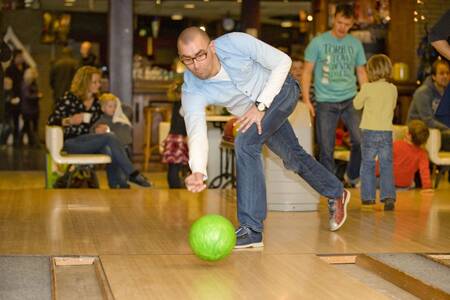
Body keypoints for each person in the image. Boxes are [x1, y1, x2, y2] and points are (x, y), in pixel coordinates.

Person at [177, 27, 350, 249]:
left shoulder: (236, 43)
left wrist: (261, 106)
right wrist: (198, 170)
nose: (196, 65)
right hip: (255, 115)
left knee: (245, 144)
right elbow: (196, 130)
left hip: (281, 91)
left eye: (200, 55)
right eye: (188, 60)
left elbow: (283, 62)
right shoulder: (191, 88)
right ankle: (336, 191)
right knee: (292, 157)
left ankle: (251, 229)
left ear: (211, 47)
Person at [48, 66, 150, 189]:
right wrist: (69, 120)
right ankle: (132, 175)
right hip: (73, 142)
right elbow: (52, 120)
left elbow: (122, 112)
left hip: (93, 140)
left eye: (99, 82)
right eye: (95, 82)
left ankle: (118, 184)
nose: (98, 85)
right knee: (109, 138)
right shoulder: (69, 98)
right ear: (85, 82)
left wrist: (98, 128)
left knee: (110, 147)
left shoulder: (98, 103)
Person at [302, 4, 368, 187]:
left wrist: (366, 97)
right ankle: (330, 187)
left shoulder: (355, 44)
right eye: (339, 22)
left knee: (361, 140)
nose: (342, 27)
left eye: (347, 24)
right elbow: (307, 72)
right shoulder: (318, 42)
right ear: (334, 19)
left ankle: (352, 176)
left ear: (352, 24)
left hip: (350, 99)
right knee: (325, 148)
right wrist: (307, 99)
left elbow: (361, 73)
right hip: (325, 102)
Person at [353, 54, 397, 210]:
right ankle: (388, 197)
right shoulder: (392, 89)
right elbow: (392, 107)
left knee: (368, 165)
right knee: (386, 165)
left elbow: (357, 105)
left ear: (370, 71)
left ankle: (368, 198)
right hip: (386, 131)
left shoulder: (367, 88)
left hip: (369, 131)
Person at [408, 60, 450, 151]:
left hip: (437, 131)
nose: (445, 76)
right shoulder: (423, 93)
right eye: (442, 73)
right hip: (418, 131)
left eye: (447, 73)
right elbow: (428, 121)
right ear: (434, 76)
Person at [161, 78, 189, 189]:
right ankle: (175, 187)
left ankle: (174, 186)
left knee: (173, 165)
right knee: (176, 166)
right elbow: (186, 119)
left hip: (173, 137)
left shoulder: (177, 102)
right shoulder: (184, 103)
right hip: (179, 138)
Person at [391, 120, 432, 191]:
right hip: (405, 186)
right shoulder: (422, 153)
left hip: (388, 183)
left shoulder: (396, 145)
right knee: (412, 183)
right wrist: (427, 187)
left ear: (408, 135)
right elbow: (425, 172)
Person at [92, 93, 133, 159]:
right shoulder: (102, 120)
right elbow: (93, 130)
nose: (113, 109)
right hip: (114, 148)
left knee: (127, 162)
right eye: (110, 106)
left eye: (115, 106)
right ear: (103, 108)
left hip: (127, 146)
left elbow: (130, 110)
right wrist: (96, 130)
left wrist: (120, 104)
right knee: (115, 166)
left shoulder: (121, 116)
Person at [20, 67, 41, 147]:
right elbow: (27, 96)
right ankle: (31, 142)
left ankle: (33, 142)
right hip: (27, 109)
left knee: (31, 126)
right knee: (27, 126)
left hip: (33, 108)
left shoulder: (33, 83)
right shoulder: (26, 84)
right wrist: (37, 96)